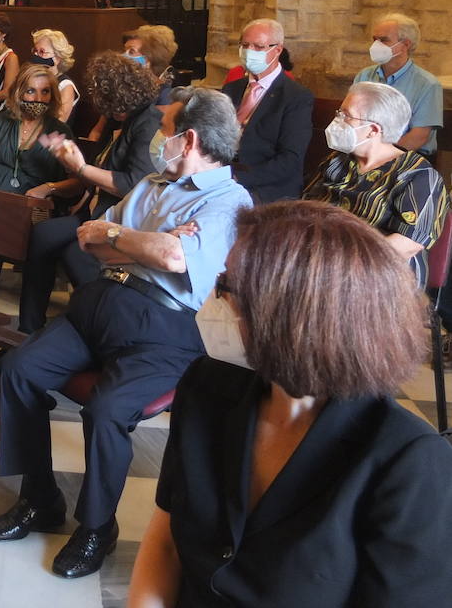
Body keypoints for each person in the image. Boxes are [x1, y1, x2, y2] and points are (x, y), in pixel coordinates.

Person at [129, 201, 452, 606]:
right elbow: (166, 542)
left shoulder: (408, 463)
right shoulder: (207, 387)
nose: (212, 299)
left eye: (226, 286)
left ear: (291, 321)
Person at [0, 88, 251, 581]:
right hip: (100, 306)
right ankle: (40, 498)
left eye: (167, 129)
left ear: (189, 139)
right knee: (19, 369)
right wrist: (143, 244)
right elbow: (91, 237)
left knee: (107, 409)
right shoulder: (153, 182)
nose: (160, 138)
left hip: (165, 328)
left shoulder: (229, 200)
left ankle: (95, 526)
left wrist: (141, 244)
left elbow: (176, 261)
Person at [18, 52, 165, 333]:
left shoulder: (147, 123)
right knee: (42, 234)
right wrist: (68, 159)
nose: (99, 103)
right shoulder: (123, 118)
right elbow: (99, 170)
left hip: (122, 219)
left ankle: (92, 326)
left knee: (76, 253)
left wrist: (82, 168)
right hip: (97, 209)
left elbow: (133, 183)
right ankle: (29, 327)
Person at [303, 81, 449, 287]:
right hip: (320, 265)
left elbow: (408, 243)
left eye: (346, 115)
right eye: (339, 113)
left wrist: (338, 265)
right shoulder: (338, 161)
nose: (337, 120)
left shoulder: (417, 174)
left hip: (376, 278)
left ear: (373, 129)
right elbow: (306, 206)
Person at [221, 17, 314, 203]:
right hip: (224, 175)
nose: (249, 52)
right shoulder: (232, 89)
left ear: (277, 50)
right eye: (245, 45)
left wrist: (237, 179)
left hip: (266, 186)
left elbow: (290, 159)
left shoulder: (296, 96)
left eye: (258, 47)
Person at [0, 64, 75, 197]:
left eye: (45, 91)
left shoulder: (56, 132)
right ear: (19, 93)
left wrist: (49, 188)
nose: (38, 99)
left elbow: (76, 182)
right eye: (31, 91)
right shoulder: (5, 120)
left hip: (29, 204)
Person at [354, 12, 442, 155]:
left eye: (383, 40)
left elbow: (419, 135)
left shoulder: (427, 84)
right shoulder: (364, 76)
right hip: (365, 153)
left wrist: (381, 156)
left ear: (405, 45)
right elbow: (352, 119)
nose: (376, 45)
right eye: (374, 39)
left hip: (407, 157)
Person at [30, 28, 78, 124]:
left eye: (42, 52)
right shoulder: (34, 78)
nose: (36, 55)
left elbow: (59, 121)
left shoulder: (65, 86)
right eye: (35, 51)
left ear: (57, 58)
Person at [124, 24, 177, 104]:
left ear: (149, 58)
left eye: (131, 51)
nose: (123, 56)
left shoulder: (164, 94)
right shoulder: (125, 86)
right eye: (124, 50)